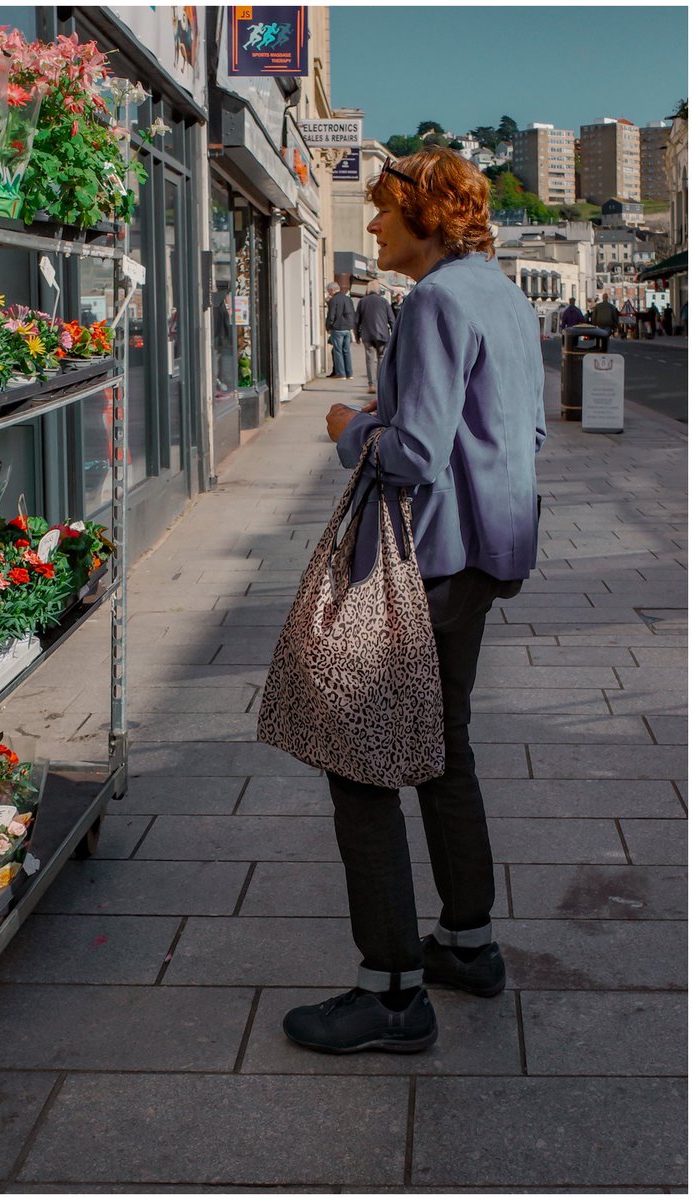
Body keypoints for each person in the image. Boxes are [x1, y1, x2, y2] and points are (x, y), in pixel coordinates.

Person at [282, 146, 545, 1055]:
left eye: (386, 210)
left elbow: (415, 456)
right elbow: (526, 428)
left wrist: (352, 427)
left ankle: (392, 992)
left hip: (426, 560)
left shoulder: (433, 301)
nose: (375, 225)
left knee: (360, 757)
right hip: (485, 553)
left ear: (427, 217)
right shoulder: (503, 296)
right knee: (445, 745)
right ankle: (467, 946)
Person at [355, 279, 394, 397]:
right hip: (382, 334)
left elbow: (357, 321)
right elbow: (392, 319)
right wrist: (393, 334)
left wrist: (357, 335)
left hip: (367, 334)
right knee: (381, 358)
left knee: (369, 359)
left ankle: (371, 384)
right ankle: (380, 384)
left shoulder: (362, 302)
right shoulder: (384, 302)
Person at [325, 282, 356, 379]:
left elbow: (331, 315)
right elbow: (352, 313)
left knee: (337, 351)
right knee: (346, 351)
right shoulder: (348, 299)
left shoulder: (334, 300)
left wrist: (328, 327)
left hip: (337, 328)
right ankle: (349, 374)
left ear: (332, 290)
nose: (328, 293)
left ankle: (341, 373)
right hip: (347, 328)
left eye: (328, 291)